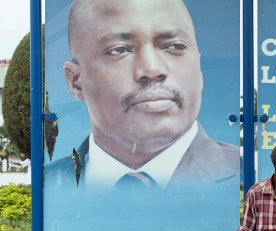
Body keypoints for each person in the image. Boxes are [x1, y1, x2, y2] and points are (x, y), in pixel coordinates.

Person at [45, 0, 238, 190]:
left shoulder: (243, 173)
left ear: (199, 67)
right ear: (75, 82)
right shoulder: (47, 185)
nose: (152, 69)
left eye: (175, 46)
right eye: (119, 50)